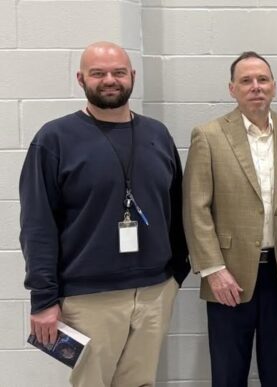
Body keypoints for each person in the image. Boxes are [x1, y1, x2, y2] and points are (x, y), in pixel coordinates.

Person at [20, 41, 189, 387]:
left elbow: (178, 205)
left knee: (141, 383)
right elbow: (37, 225)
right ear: (81, 78)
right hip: (88, 297)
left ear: (132, 76)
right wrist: (43, 299)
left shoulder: (157, 134)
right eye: (98, 73)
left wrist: (176, 274)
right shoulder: (54, 139)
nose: (109, 80)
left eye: (118, 72)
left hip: (155, 291)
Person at [183, 51, 277, 387]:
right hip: (228, 276)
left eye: (262, 79)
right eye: (246, 80)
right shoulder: (209, 135)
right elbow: (196, 208)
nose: (255, 87)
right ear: (232, 89)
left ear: (274, 86)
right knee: (229, 374)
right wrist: (213, 270)